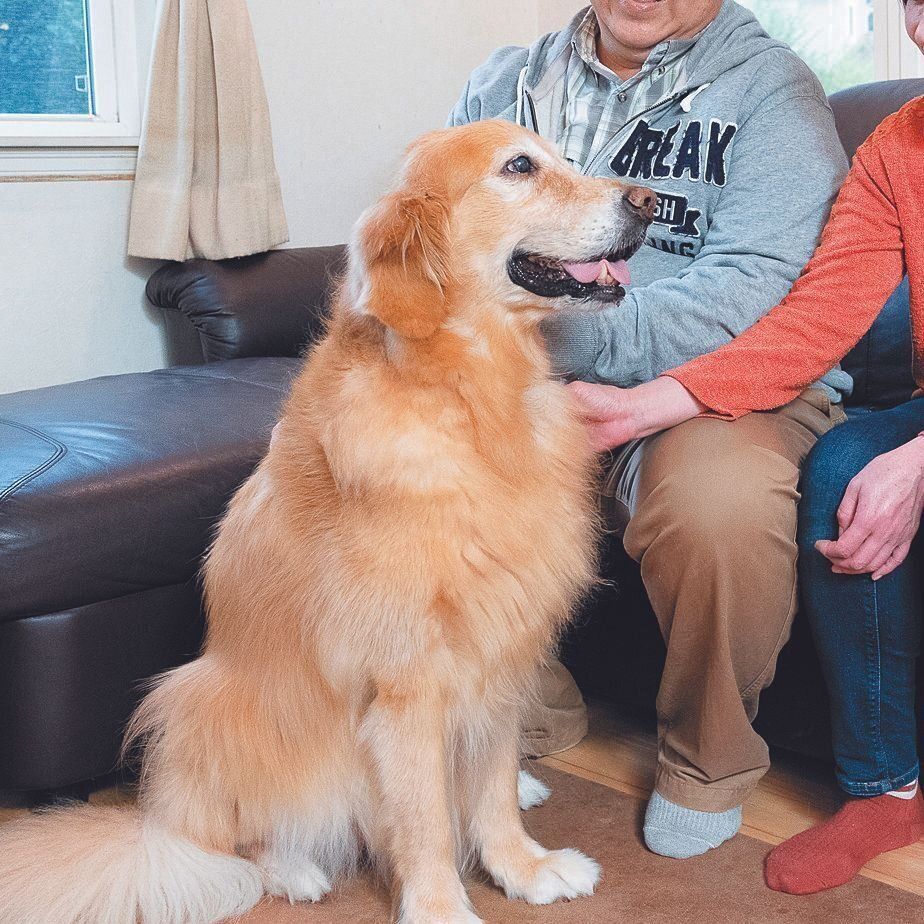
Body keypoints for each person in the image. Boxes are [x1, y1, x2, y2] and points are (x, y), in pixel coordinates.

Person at [449, 0, 849, 858]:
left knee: (718, 505)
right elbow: (451, 260)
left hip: (726, 380)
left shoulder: (774, 91)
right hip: (529, 373)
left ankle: (709, 763)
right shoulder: (502, 85)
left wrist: (559, 346)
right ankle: (525, 708)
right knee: (409, 469)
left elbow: (754, 287)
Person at [568, 0, 924, 896]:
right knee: (844, 469)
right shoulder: (897, 148)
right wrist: (641, 406)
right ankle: (889, 789)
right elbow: (814, 319)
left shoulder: (772, 95)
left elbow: (754, 285)